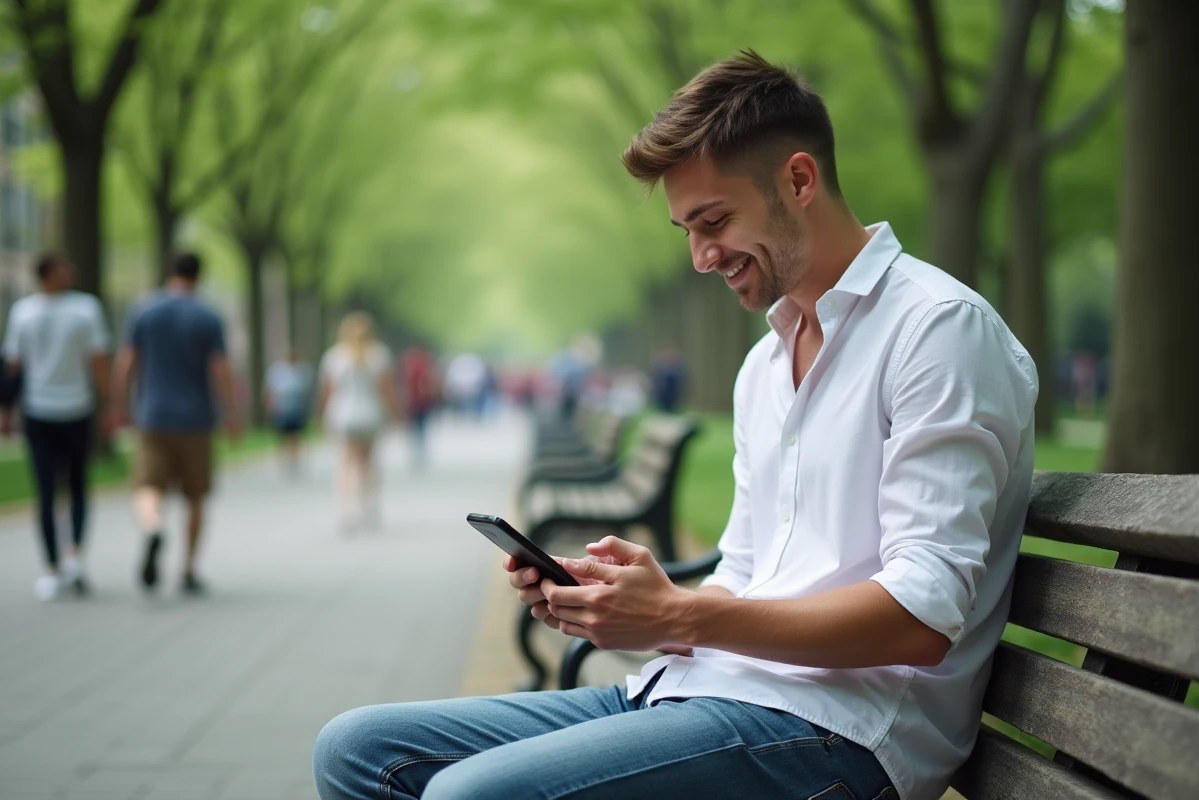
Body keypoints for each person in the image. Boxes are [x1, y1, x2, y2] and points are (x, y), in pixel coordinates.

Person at [313, 51, 1038, 800]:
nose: (698, 257)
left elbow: (921, 616)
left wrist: (681, 612)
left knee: (470, 797)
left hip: (842, 734)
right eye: (685, 230)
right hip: (704, 691)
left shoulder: (937, 331)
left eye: (714, 221)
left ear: (798, 180)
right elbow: (749, 575)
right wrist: (634, 609)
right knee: (358, 750)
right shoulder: (765, 364)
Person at [111, 252, 241, 596]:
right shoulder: (208, 317)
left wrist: (118, 405)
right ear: (199, 276)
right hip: (196, 419)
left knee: (147, 486)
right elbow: (220, 368)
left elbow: (127, 362)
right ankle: (187, 570)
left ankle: (153, 528)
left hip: (152, 416)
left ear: (169, 273)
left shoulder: (144, 311)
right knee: (195, 495)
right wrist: (231, 411)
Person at [0, 253, 110, 600]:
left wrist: (111, 405)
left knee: (75, 485)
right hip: (43, 410)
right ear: (48, 274)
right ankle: (54, 565)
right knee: (48, 490)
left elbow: (98, 361)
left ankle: (71, 559)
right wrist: (5, 409)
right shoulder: (28, 311)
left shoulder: (83, 308)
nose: (72, 271)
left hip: (71, 408)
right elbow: (14, 366)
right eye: (64, 267)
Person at [317, 312, 400, 531]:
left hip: (342, 415)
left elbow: (328, 391)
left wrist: (321, 415)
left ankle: (347, 511)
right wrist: (397, 414)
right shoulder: (379, 355)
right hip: (370, 415)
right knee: (369, 465)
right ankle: (368, 507)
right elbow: (386, 391)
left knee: (346, 465)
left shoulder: (334, 357)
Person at [265, 348, 315, 474]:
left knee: (297, 435)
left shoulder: (302, 370)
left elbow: (307, 390)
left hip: (297, 408)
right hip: (283, 409)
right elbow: (270, 390)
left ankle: (295, 459)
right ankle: (285, 459)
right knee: (283, 436)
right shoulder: (277, 370)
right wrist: (271, 406)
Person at [399, 345, 438, 470]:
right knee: (421, 428)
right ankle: (419, 450)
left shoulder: (408, 368)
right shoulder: (424, 367)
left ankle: (415, 451)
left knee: (414, 428)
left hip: (411, 402)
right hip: (421, 402)